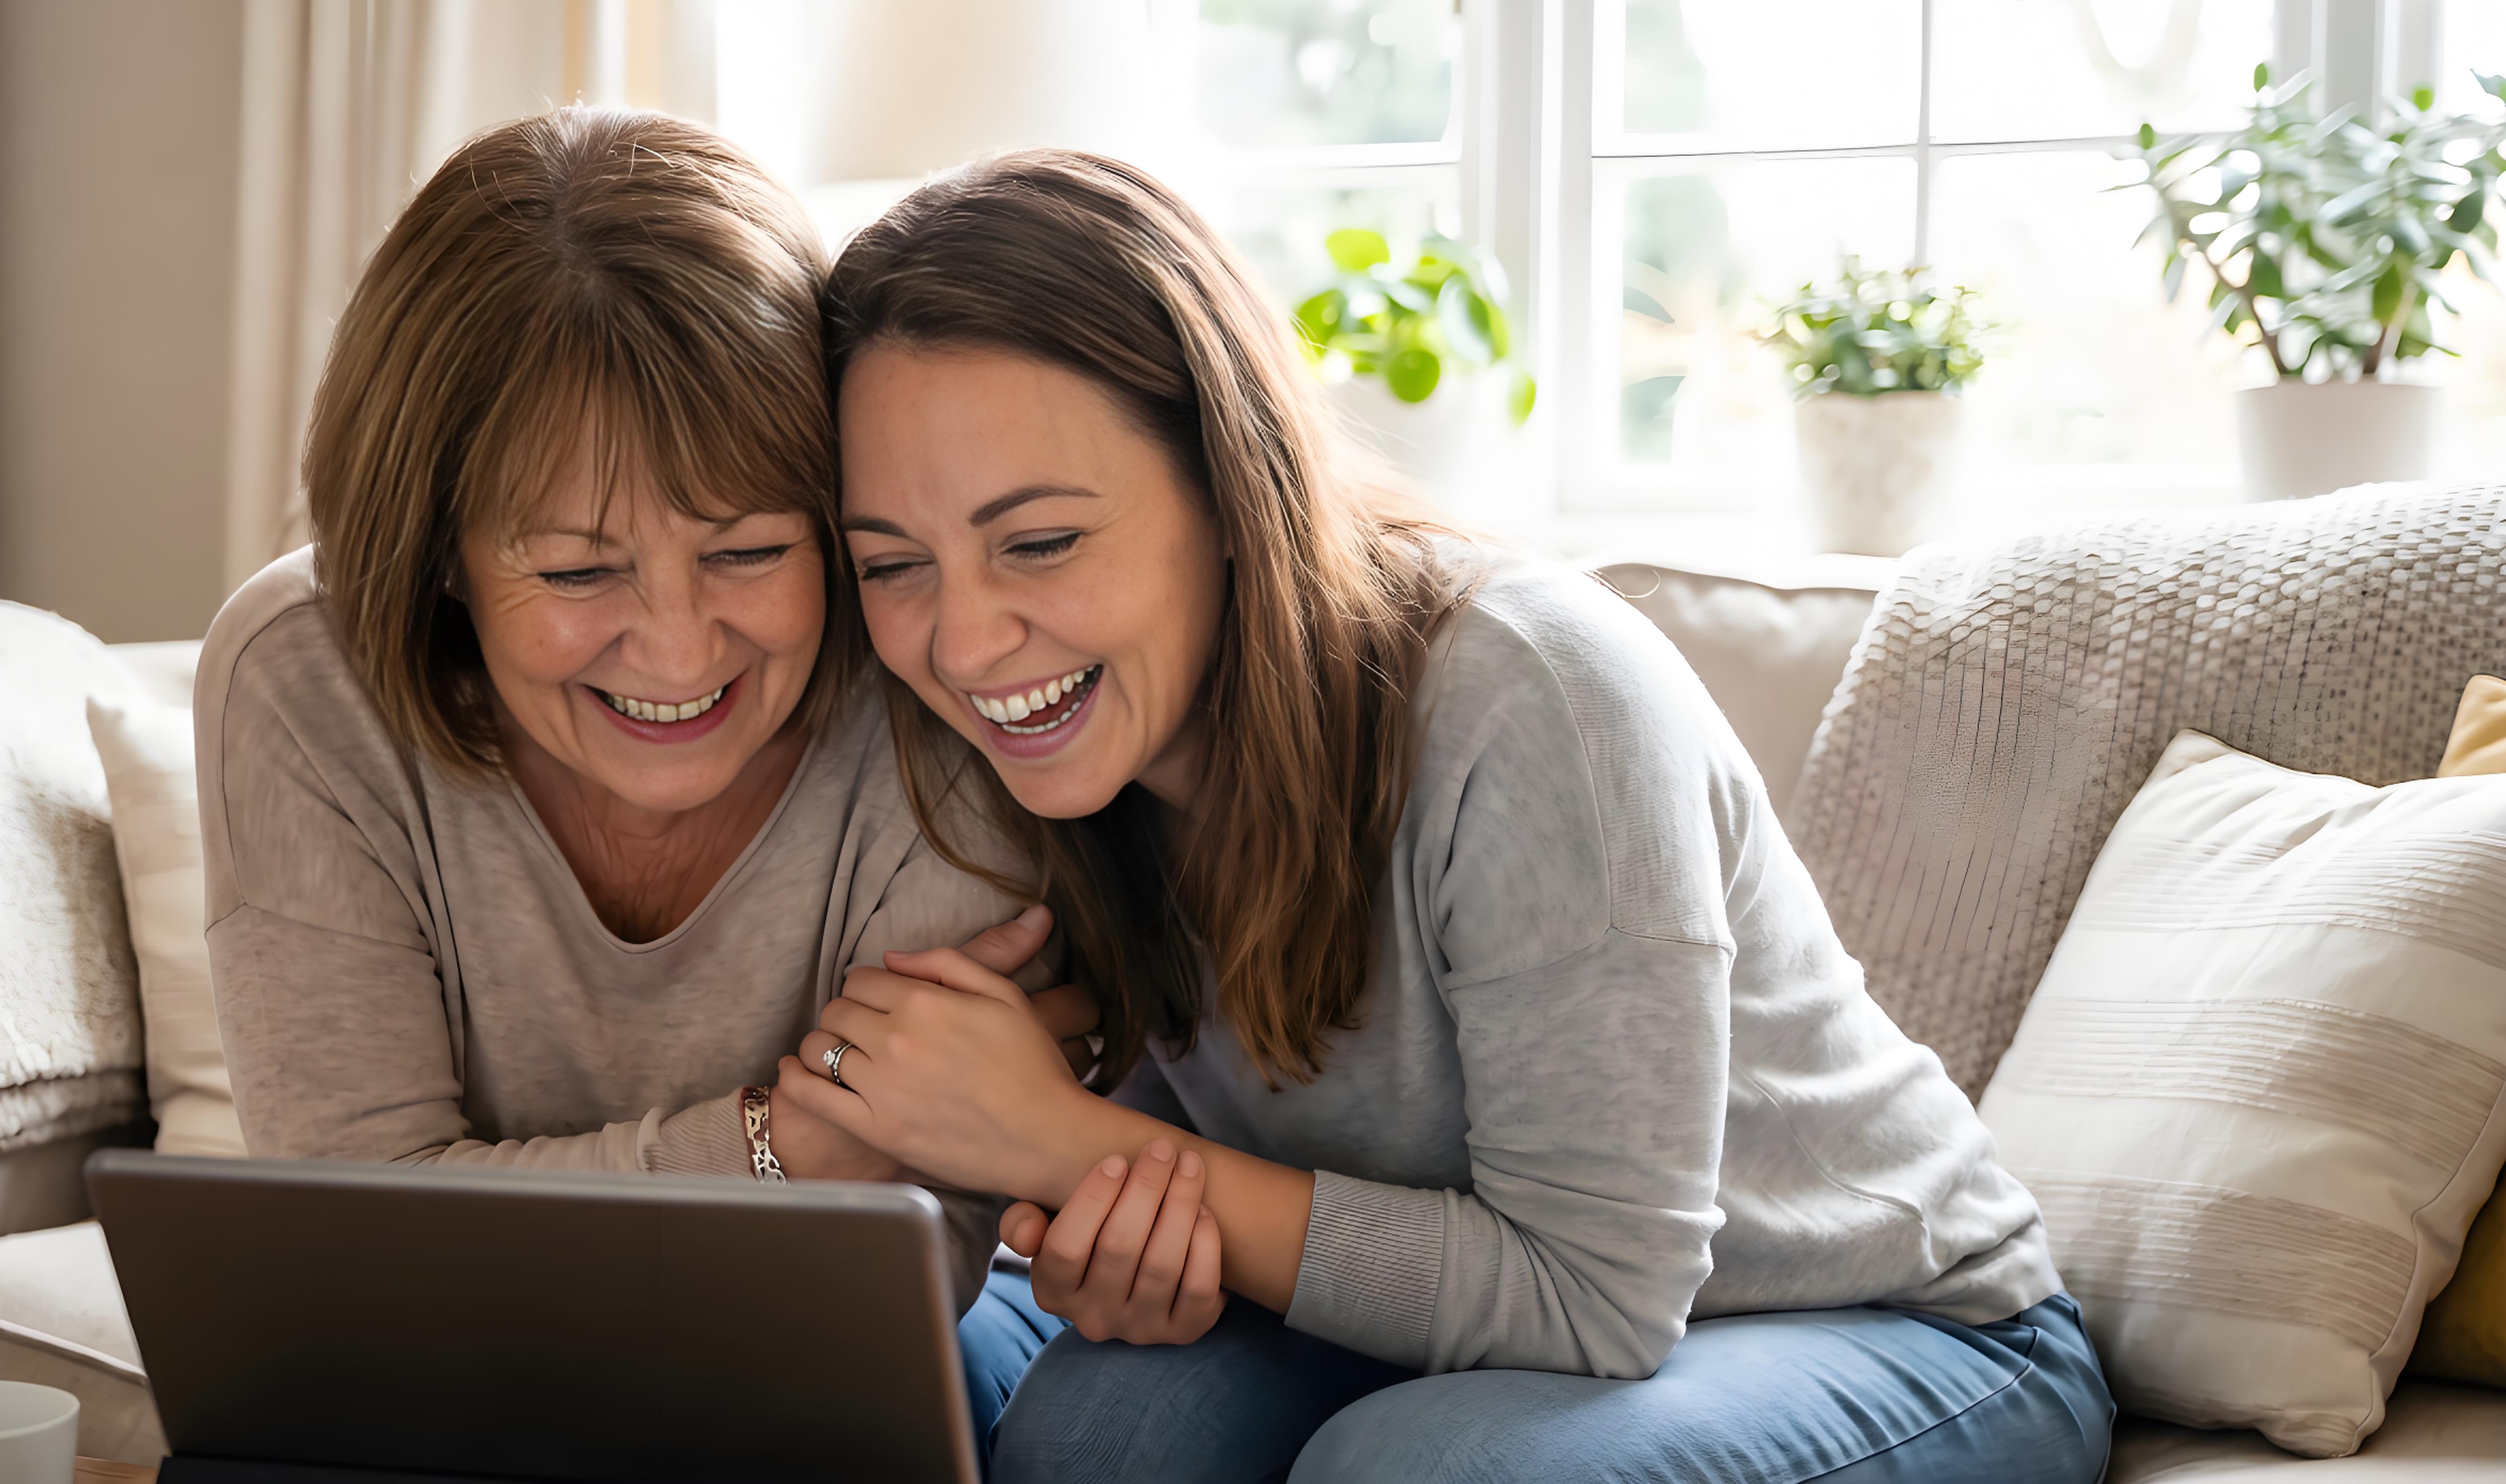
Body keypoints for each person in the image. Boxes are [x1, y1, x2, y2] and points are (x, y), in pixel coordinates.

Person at [772, 150, 2116, 1482]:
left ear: (1229, 485)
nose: (962, 641)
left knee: (1416, 1473)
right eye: (893, 564)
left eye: (1041, 542)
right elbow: (1183, 1208)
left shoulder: (1532, 697)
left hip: (1876, 1323)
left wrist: (1065, 1142)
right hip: (1431, 1326)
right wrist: (1122, 1236)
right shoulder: (1036, 759)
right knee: (1088, 1438)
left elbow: (1596, 1297)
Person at [191, 109, 1079, 1458]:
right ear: (437, 556)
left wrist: (502, 1214)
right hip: (467, 1353)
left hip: (916, 1326)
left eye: (746, 551)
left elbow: (905, 1251)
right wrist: (772, 1144)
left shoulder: (930, 675)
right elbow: (358, 1230)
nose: (677, 647)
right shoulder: (306, 679)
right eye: (575, 569)